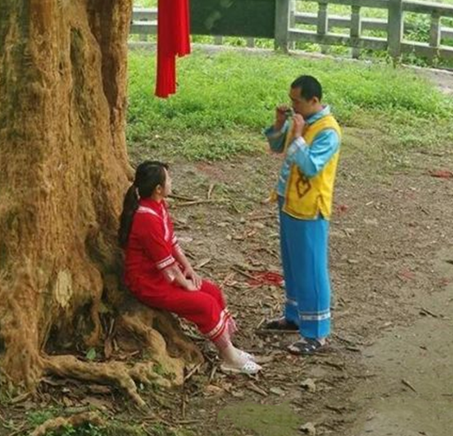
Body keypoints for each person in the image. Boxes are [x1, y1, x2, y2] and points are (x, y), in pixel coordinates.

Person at [119, 160, 260, 375]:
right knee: (203, 303)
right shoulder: (146, 219)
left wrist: (190, 270)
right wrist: (185, 284)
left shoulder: (159, 206)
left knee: (212, 291)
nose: (172, 182)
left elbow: (172, 244)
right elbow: (165, 264)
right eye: (169, 179)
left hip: (162, 275)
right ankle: (229, 358)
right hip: (147, 283)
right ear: (158, 188)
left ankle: (229, 347)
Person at [261, 75, 341, 355]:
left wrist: (296, 136)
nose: (293, 104)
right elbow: (275, 147)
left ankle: (317, 333)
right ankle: (294, 316)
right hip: (288, 201)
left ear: (314, 101)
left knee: (311, 267)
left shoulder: (328, 131)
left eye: (297, 100)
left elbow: (309, 166)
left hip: (310, 207)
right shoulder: (303, 122)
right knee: (293, 265)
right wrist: (280, 124)